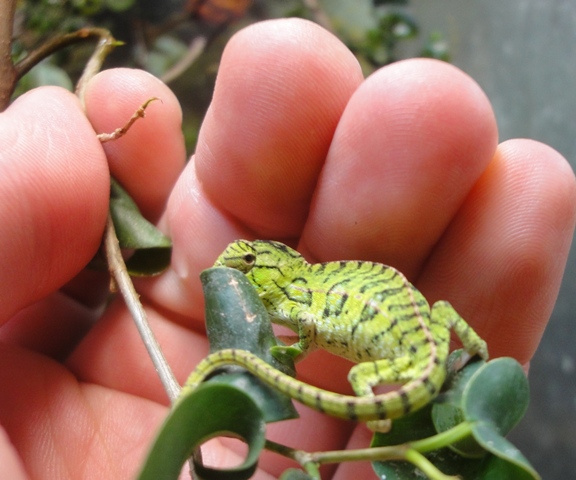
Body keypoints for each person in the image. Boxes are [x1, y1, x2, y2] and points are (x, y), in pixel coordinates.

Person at [0, 18, 574, 480]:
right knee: (432, 324)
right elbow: (308, 341)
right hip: (425, 343)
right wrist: (468, 354)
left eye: (248, 268)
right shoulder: (301, 313)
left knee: (357, 385)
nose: (238, 279)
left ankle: (392, 430)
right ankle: (454, 373)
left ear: (276, 275)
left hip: (398, 348)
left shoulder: (303, 301)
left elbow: (308, 340)